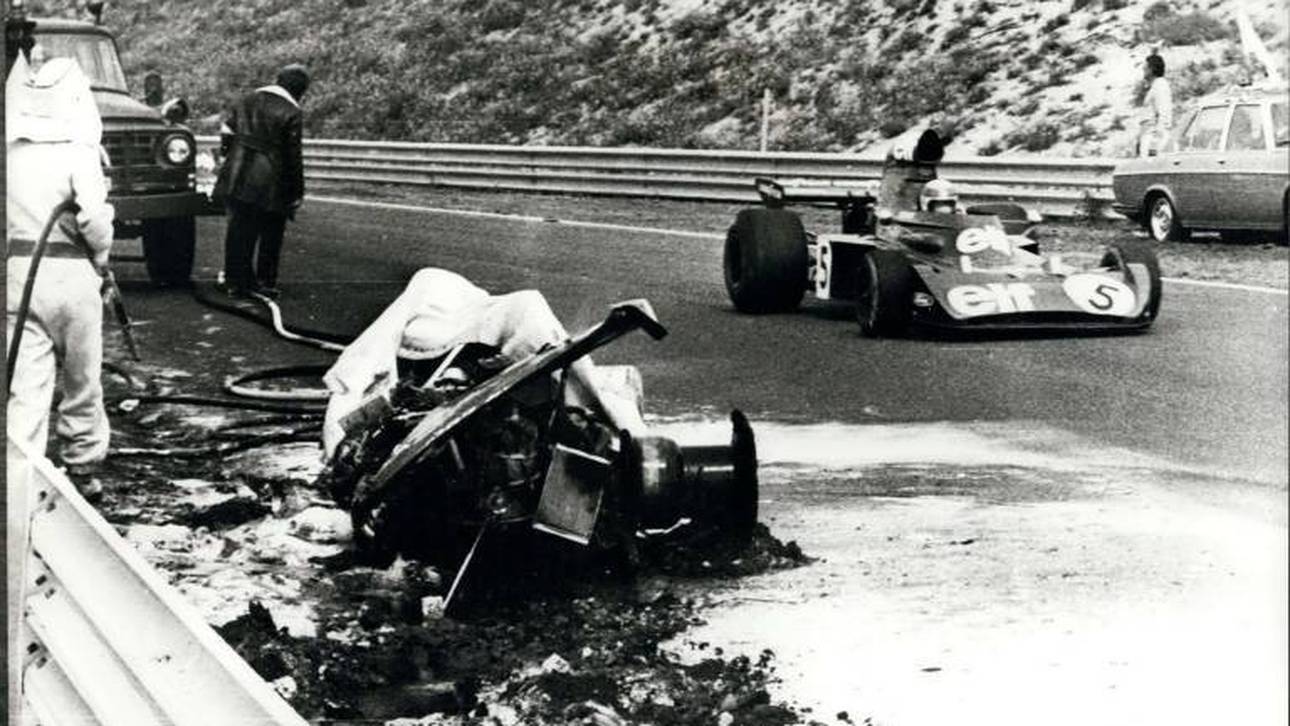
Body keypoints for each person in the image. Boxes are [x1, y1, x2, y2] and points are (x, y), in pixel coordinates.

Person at [320, 268, 648, 460]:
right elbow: (353, 381)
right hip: (468, 333)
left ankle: (618, 431)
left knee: (542, 334)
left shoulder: (516, 316)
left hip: (514, 338)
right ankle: (619, 431)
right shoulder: (418, 309)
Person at [6, 51, 116, 501]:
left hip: (18, 273)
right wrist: (103, 259)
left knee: (26, 383)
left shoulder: (9, 153)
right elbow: (93, 218)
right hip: (71, 272)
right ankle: (84, 465)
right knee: (82, 377)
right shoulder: (78, 151)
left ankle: (20, 477)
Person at [217, 64, 309, 297]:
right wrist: (297, 192)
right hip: (269, 180)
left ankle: (234, 281)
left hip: (235, 173)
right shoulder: (292, 111)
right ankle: (265, 282)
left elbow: (227, 132)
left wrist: (229, 157)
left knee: (238, 228)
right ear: (300, 91)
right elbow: (292, 156)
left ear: (278, 80)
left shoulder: (247, 99)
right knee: (272, 230)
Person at [1139, 52, 1173, 158]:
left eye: (1145, 68)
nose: (1143, 70)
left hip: (1154, 140)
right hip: (1149, 137)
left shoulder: (1160, 86)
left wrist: (1154, 144)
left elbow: (1164, 114)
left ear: (1151, 69)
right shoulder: (1155, 86)